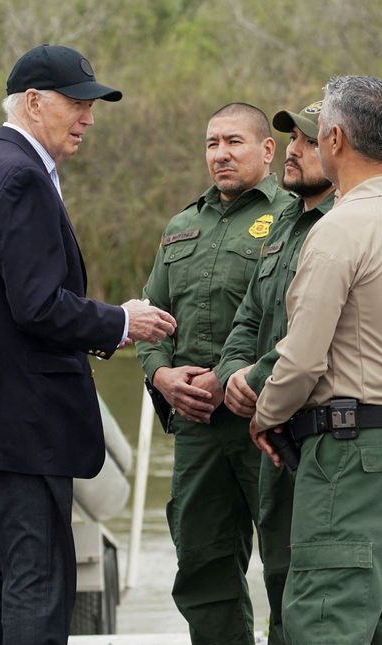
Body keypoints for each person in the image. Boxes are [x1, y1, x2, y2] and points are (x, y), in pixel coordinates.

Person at [0, 44, 176, 644]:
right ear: (34, 103)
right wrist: (119, 321)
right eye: (78, 103)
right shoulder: (20, 177)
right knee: (39, 577)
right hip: (24, 413)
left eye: (92, 105)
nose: (88, 116)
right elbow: (37, 305)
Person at [215, 95, 382, 642]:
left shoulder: (343, 227)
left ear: (336, 139)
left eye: (312, 137)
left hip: (346, 450)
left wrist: (265, 413)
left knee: (324, 617)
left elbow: (303, 355)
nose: (301, 147)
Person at [136, 102, 293, 644]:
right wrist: (161, 377)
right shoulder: (181, 226)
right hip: (196, 429)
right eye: (211, 144)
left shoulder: (296, 216)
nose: (220, 155)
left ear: (267, 150)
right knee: (202, 565)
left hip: (267, 422)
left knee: (287, 564)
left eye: (234, 142)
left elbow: (305, 321)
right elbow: (149, 320)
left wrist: (236, 379)